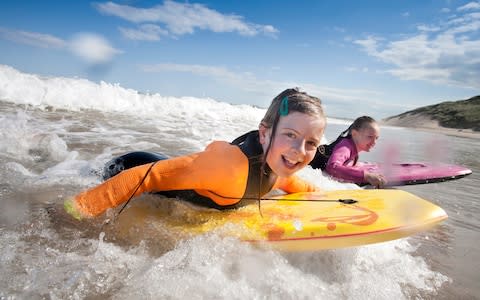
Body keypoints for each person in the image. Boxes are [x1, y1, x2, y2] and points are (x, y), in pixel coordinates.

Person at [64, 87, 327, 219]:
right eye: (290, 135)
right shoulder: (227, 169)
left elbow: (290, 181)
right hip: (131, 166)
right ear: (264, 133)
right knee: (83, 173)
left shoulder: (278, 164)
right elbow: (146, 176)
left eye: (311, 143)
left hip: (174, 170)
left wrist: (326, 197)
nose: (299, 152)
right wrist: (78, 210)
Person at [309, 116, 386, 188]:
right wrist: (366, 176)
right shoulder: (345, 147)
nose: (374, 142)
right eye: (370, 137)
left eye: (376, 138)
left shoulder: (353, 148)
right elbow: (332, 167)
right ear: (354, 134)